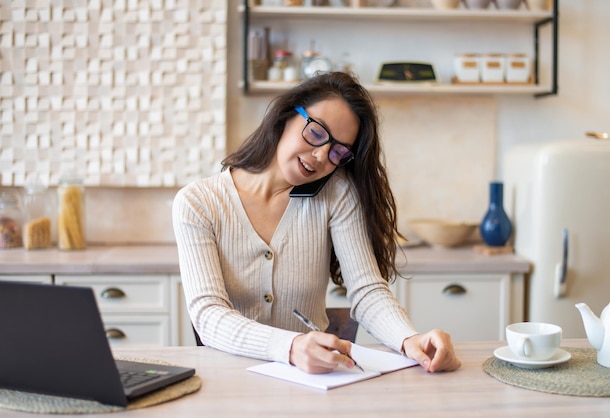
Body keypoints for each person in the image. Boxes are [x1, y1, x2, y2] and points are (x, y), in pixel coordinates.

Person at [172, 71, 461, 374]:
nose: (322, 155)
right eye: (317, 132)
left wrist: (409, 339)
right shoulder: (198, 203)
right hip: (228, 382)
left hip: (311, 384)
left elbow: (368, 292)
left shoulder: (336, 194)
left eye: (338, 150)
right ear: (286, 115)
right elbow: (208, 315)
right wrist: (291, 347)